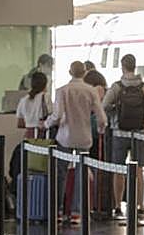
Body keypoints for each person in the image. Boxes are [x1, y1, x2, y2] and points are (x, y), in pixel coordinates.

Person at [45, 60, 107, 224]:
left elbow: (57, 116)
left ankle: (57, 210)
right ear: (85, 72)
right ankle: (76, 212)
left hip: (65, 137)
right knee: (82, 175)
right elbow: (101, 116)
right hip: (84, 138)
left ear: (70, 72)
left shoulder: (62, 91)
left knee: (61, 174)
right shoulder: (91, 91)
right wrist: (101, 129)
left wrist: (46, 124)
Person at [102, 53, 144, 218]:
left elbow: (104, 105)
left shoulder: (117, 87)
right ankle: (140, 206)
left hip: (119, 132)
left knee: (118, 169)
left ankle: (118, 206)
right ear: (135, 66)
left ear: (122, 66)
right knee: (139, 169)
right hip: (139, 133)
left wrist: (115, 115)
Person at [15, 71, 52, 138]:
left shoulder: (23, 100)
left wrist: (30, 123)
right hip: (42, 134)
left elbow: (20, 123)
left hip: (28, 135)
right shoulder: (46, 97)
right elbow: (52, 116)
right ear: (45, 84)